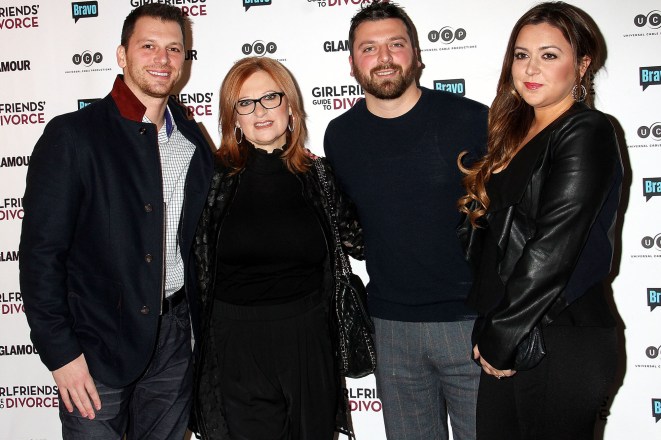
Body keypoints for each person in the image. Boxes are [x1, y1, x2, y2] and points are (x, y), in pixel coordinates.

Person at [19, 4, 213, 438]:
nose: (162, 60)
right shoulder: (72, 136)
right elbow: (40, 256)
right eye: (148, 46)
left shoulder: (192, 142)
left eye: (173, 49)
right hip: (95, 343)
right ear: (122, 55)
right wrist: (61, 354)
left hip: (175, 341)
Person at [457, 2, 622, 439]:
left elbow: (553, 249)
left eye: (549, 55)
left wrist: (500, 337)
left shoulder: (585, 131)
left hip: (561, 338)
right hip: (508, 331)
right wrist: (490, 328)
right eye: (521, 54)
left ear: (582, 65)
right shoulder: (509, 137)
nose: (531, 68)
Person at [324, 2, 488, 439]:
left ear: (417, 54)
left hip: (471, 323)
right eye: (369, 48)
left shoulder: (472, 120)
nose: (384, 58)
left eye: (396, 44)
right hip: (391, 328)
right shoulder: (340, 136)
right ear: (352, 62)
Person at [190, 56, 363, 440]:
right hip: (236, 344)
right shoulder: (212, 180)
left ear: (290, 105)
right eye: (245, 103)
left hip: (309, 338)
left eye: (270, 97)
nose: (260, 111)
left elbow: (360, 239)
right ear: (233, 116)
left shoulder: (319, 176)